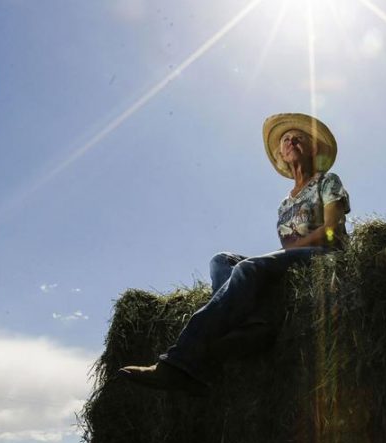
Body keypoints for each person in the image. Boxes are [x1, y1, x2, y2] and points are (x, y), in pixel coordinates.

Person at [119, 113, 351, 394]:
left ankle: (179, 360)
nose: (291, 142)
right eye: (286, 140)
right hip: (295, 259)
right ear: (282, 154)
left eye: (298, 138)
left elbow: (332, 230)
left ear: (313, 149)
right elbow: (286, 250)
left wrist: (268, 259)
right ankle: (254, 327)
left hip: (325, 256)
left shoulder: (327, 181)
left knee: (247, 268)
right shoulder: (284, 203)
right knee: (221, 260)